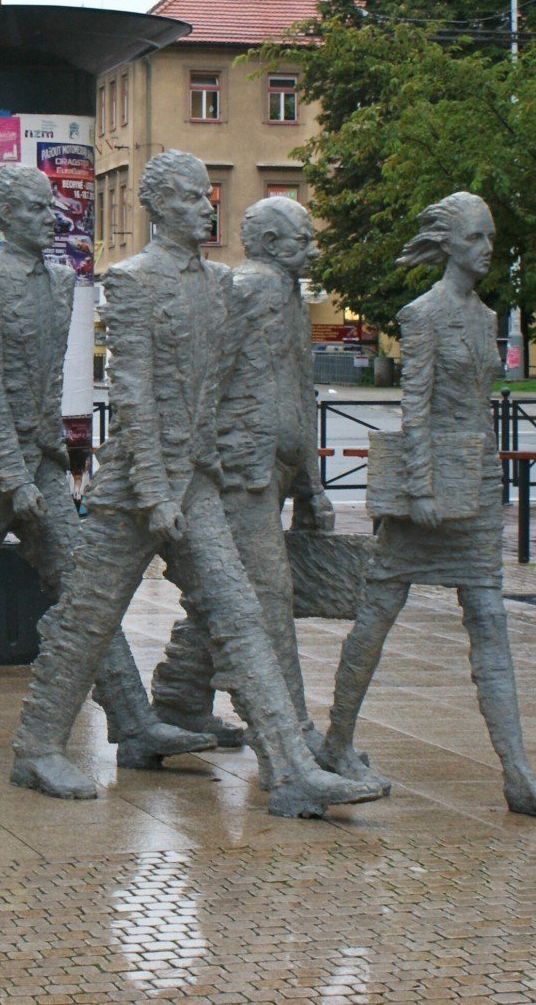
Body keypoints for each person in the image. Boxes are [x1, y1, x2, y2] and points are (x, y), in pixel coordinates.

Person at [7, 150, 383, 819]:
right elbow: (132, 391)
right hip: (137, 486)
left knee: (242, 616)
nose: (207, 208)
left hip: (199, 479)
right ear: (156, 207)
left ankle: (291, 768)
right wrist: (154, 488)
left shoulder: (220, 282)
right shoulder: (132, 281)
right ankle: (38, 746)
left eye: (207, 197)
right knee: (88, 619)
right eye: (190, 198)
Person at [0, 165, 211, 767]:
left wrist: (45, 467)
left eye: (52, 208)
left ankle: (133, 723)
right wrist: (13, 477)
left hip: (40, 458)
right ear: (7, 216)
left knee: (82, 589)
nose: (54, 219)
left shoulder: (63, 281)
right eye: (40, 210)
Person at [315, 192, 536, 824]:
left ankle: (518, 775)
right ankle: (336, 741)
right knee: (377, 615)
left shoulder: (486, 318)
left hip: (476, 488)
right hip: (426, 496)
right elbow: (415, 407)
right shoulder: (422, 315)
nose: (488, 249)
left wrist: (476, 486)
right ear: (450, 243)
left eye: (491, 238)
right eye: (479, 238)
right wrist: (421, 489)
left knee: (489, 620)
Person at [150, 196, 341, 773]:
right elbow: (210, 374)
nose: (312, 248)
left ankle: (180, 702)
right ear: (269, 243)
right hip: (241, 470)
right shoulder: (250, 287)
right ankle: (291, 733)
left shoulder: (288, 294)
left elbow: (298, 390)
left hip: (276, 468)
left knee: (230, 596)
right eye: (302, 239)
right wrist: (204, 456)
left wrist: (312, 484)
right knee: (267, 596)